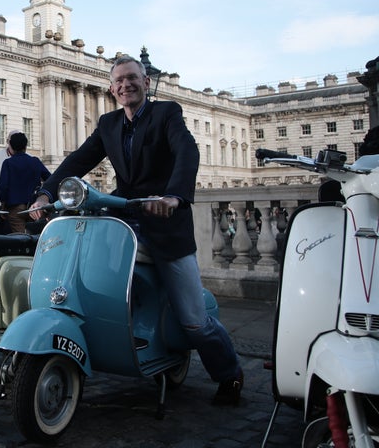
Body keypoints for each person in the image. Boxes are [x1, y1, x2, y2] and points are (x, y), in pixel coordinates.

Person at [28, 54, 243, 406]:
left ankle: (229, 372)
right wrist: (46, 193)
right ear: (112, 89)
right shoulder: (109, 123)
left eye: (132, 78)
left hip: (164, 224)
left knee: (192, 321)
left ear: (145, 83)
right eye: (119, 81)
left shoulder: (166, 113)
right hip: (124, 219)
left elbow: (186, 151)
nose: (126, 85)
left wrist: (174, 196)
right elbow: (79, 159)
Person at [0, 132, 51, 233]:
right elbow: (50, 179)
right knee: (36, 236)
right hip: (34, 206)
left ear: (11, 147)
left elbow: (2, 186)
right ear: (26, 146)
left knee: (21, 239)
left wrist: (3, 205)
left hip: (15, 208)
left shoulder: (8, 163)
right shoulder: (35, 161)